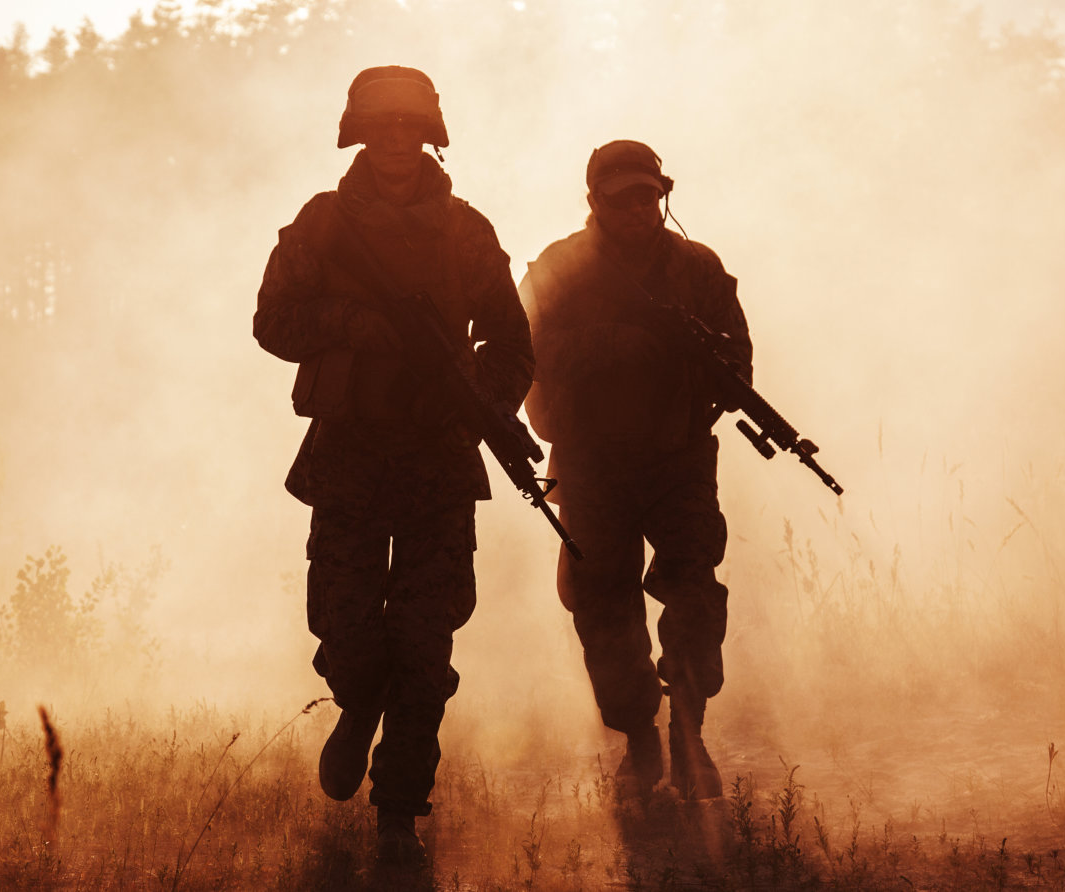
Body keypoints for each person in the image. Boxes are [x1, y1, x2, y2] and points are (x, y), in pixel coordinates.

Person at [252, 66, 534, 864]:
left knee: (424, 644)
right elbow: (272, 321)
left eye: (411, 127)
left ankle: (399, 812)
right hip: (347, 456)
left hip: (438, 465)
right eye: (383, 128)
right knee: (348, 634)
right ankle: (355, 700)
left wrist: (471, 395)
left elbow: (513, 344)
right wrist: (350, 323)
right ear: (359, 133)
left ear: (431, 134)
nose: (398, 142)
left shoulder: (466, 232)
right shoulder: (324, 224)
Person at [518, 140, 751, 801]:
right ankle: (640, 742)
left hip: (677, 457)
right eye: (622, 198)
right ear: (595, 201)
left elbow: (737, 353)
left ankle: (689, 732)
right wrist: (612, 345)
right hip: (592, 463)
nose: (639, 209)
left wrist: (714, 369)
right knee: (604, 606)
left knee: (694, 591)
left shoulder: (697, 268)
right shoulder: (561, 268)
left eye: (649, 195)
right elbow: (523, 350)